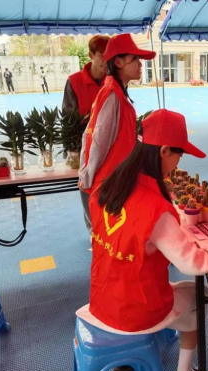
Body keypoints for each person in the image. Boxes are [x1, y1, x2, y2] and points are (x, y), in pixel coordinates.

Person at [76, 109, 208, 371]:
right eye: (179, 155)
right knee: (195, 298)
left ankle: (124, 361)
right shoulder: (153, 208)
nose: (178, 163)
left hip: (103, 300)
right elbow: (194, 263)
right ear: (164, 151)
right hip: (135, 311)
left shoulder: (110, 186)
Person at [78, 34, 155, 235]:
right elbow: (98, 141)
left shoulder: (114, 92)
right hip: (108, 186)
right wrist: (86, 176)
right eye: (135, 59)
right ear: (118, 62)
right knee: (112, 242)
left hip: (114, 183)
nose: (140, 64)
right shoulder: (112, 94)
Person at [62, 35, 110, 116]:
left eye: (109, 55)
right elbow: (68, 118)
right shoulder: (74, 81)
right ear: (91, 55)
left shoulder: (115, 80)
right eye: (102, 55)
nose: (106, 60)